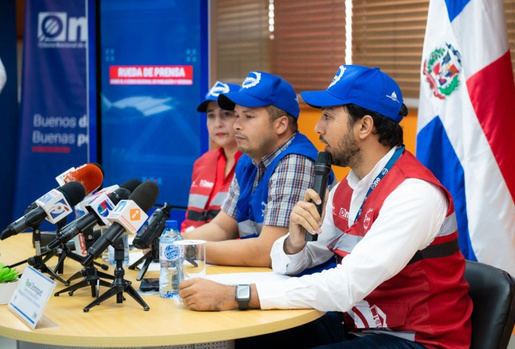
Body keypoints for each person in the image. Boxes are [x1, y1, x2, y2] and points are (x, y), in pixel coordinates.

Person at [179, 65, 472, 349]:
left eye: (329, 117)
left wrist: (237, 295)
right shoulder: (348, 187)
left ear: (365, 126)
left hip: (413, 338)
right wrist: (294, 243)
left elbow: (346, 285)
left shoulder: (413, 193)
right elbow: (296, 259)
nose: (317, 128)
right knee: (242, 339)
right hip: (355, 324)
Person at [183, 71, 319, 267]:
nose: (236, 125)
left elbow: (267, 252)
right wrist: (172, 241)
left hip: (298, 287)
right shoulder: (249, 160)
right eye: (236, 115)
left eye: (248, 116)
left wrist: (186, 249)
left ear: (280, 124)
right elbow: (222, 227)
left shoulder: (295, 160)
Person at [181, 81, 242, 232]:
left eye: (226, 114)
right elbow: (189, 222)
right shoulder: (202, 162)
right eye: (211, 116)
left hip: (230, 253)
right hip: (192, 251)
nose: (217, 124)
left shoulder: (254, 164)